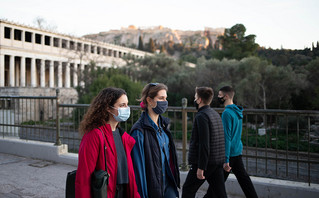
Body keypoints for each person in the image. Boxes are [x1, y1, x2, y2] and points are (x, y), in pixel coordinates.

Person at [75, 87, 140, 198]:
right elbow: (84, 176)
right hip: (107, 193)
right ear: (108, 109)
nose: (127, 109)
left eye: (127, 105)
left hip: (124, 191)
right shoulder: (94, 135)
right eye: (122, 105)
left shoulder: (124, 137)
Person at [206, 86, 258, 198]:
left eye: (220, 95)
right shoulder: (238, 112)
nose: (218, 97)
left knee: (216, 184)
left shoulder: (227, 113)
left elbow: (227, 137)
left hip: (229, 154)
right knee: (244, 180)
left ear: (226, 96)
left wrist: (226, 159)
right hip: (237, 151)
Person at [130, 83, 180, 198]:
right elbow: (138, 170)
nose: (165, 102)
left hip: (168, 186)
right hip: (153, 189)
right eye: (161, 98)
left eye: (166, 98)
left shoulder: (163, 126)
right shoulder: (139, 132)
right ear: (150, 100)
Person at [182, 87, 227, 198]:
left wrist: (201, 167)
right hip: (217, 161)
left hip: (205, 163)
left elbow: (204, 144)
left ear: (200, 100)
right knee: (220, 193)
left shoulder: (201, 116)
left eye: (195, 97)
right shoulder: (215, 114)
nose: (195, 99)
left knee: (188, 189)